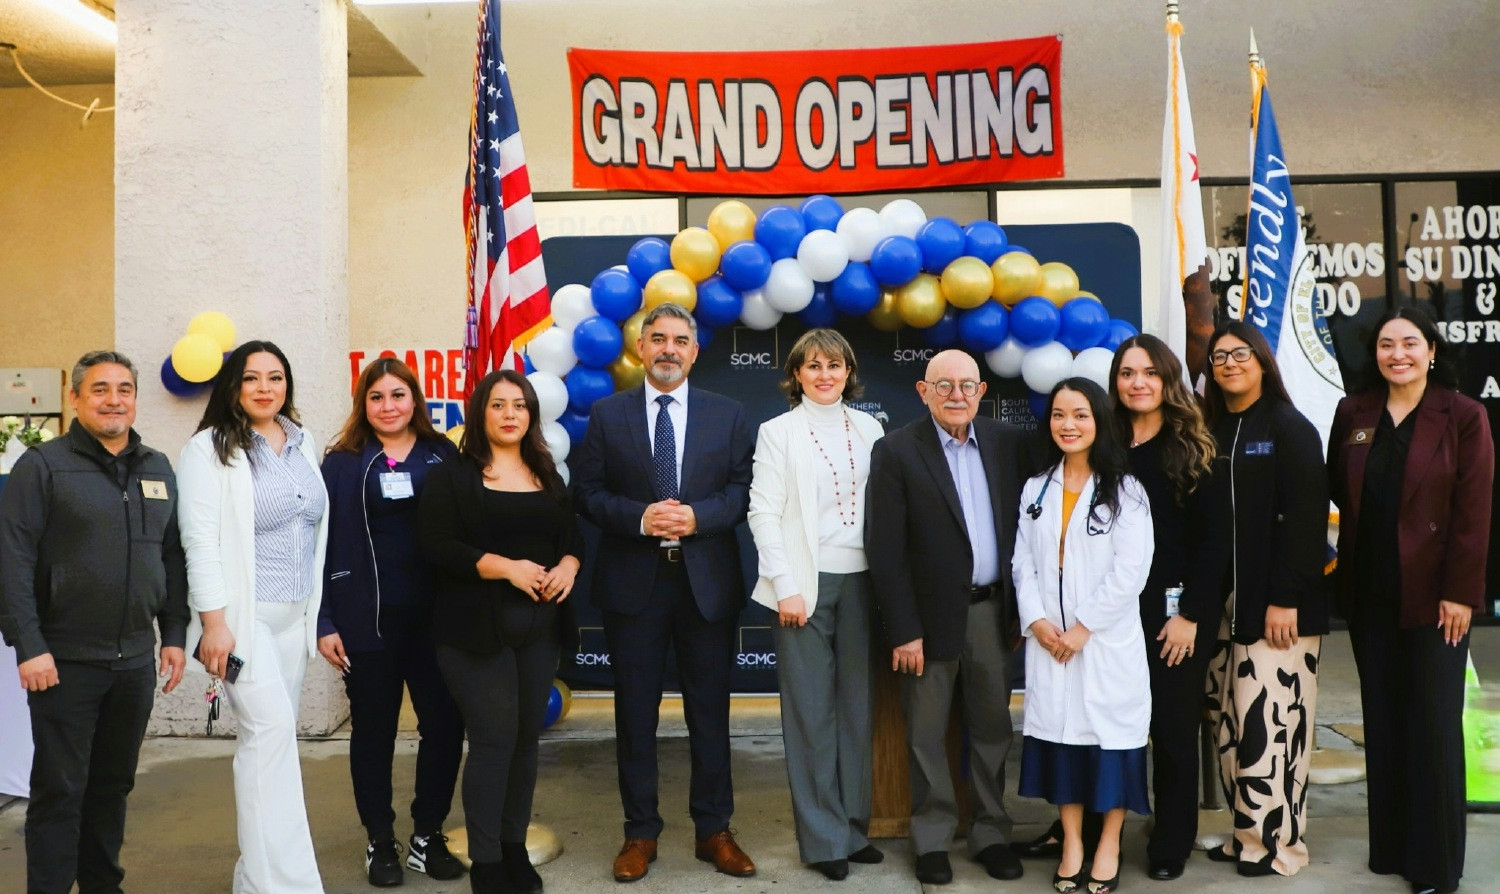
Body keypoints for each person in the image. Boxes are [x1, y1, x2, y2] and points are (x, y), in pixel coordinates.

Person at [571, 302, 757, 883]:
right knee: (634, 714)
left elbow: (743, 491)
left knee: (709, 712)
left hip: (707, 584)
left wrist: (697, 517)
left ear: (694, 351)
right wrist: (641, 518)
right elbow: (588, 494)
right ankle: (640, 832)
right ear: (641, 348)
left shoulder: (728, 415)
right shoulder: (607, 414)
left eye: (680, 340)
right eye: (658, 339)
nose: (669, 349)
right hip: (635, 586)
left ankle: (713, 829)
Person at [0, 351, 189, 894]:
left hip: (133, 661)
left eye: (124, 389)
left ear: (134, 398)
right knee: (61, 790)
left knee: (112, 786)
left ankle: (104, 885)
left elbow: (172, 557)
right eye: (100, 389)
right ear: (76, 398)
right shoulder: (43, 467)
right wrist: (29, 645)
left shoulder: (156, 466)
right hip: (64, 660)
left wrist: (173, 635)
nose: (114, 399)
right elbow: (12, 560)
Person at [1327, 307, 1493, 894]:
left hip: (1435, 601)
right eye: (1386, 344)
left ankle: (1435, 864)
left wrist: (1460, 594)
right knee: (1386, 723)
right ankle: (1391, 848)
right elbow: (1336, 497)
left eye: (1409, 343)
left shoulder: (1463, 415)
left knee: (1432, 727)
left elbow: (1474, 516)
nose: (1397, 354)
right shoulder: (1354, 413)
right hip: (1369, 597)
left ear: (1430, 350)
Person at [865, 348, 1028, 886]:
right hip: (928, 622)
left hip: (991, 614)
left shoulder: (1007, 443)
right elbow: (885, 551)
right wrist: (904, 629)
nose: (957, 395)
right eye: (944, 385)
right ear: (923, 391)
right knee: (925, 735)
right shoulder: (896, 451)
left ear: (982, 391)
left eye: (967, 385)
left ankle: (990, 835)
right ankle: (932, 840)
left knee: (991, 731)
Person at [418, 369, 581, 894]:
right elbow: (436, 545)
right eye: (498, 404)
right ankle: (487, 860)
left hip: (540, 630)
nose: (510, 414)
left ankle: (514, 848)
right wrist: (506, 566)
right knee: (492, 740)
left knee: (525, 742)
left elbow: (571, 537)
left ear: (531, 415)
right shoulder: (452, 474)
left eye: (520, 405)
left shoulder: (546, 471)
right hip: (472, 631)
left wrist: (570, 566)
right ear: (480, 413)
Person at [177, 340, 329, 894]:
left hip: (294, 621)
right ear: (233, 387)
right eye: (252, 378)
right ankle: (283, 886)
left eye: (276, 377)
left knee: (269, 747)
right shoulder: (209, 449)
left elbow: (315, 530)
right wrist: (214, 625)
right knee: (270, 740)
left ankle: (254, 878)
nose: (265, 388)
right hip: (244, 623)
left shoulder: (303, 441)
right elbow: (199, 542)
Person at [319, 357, 465, 887]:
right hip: (366, 624)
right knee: (374, 735)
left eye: (398, 395)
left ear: (415, 401)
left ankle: (428, 836)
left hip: (439, 624)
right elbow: (318, 547)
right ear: (365, 404)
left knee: (445, 727)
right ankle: (380, 839)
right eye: (377, 397)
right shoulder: (342, 464)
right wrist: (324, 620)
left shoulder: (441, 453)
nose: (388, 406)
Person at [746, 328, 886, 882]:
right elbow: (762, 512)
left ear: (849, 372)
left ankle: (854, 829)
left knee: (857, 712)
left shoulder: (871, 427)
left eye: (835, 365)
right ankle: (823, 839)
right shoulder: (777, 432)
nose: (825, 374)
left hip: (863, 585)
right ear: (796, 375)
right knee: (810, 715)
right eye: (813, 366)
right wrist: (786, 585)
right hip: (804, 586)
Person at [1013, 378, 1153, 894]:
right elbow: (1022, 562)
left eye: (1080, 415)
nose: (1068, 425)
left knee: (1110, 742)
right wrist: (1039, 622)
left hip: (1103, 643)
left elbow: (1130, 571)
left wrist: (1082, 629)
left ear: (1099, 421)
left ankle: (1109, 843)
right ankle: (1072, 842)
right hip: (1050, 643)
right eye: (1058, 416)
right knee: (1063, 742)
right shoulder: (1036, 488)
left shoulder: (1126, 489)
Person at [1200, 321, 1329, 878]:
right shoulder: (1211, 428)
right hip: (1224, 606)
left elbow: (1306, 520)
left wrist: (1285, 598)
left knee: (1272, 727)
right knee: (1227, 720)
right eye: (1219, 355)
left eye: (1240, 353)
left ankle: (1278, 845)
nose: (1229, 363)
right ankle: (1244, 833)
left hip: (1278, 608)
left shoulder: (1289, 427)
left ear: (1263, 360)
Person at [1109, 334, 1227, 881]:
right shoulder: (1101, 444)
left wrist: (1192, 615)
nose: (1138, 383)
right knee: (1104, 727)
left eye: (1150, 373)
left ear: (1167, 381)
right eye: (1128, 373)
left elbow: (1215, 543)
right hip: (1109, 615)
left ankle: (1170, 841)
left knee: (1174, 731)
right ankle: (1088, 829)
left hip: (1176, 617)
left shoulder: (1192, 446)